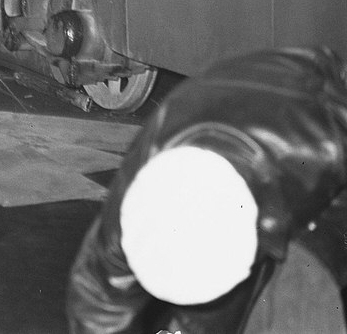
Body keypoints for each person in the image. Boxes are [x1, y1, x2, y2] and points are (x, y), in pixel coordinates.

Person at [66, 46, 347, 334]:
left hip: (316, 158)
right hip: (238, 145)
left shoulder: (321, 144)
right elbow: (97, 307)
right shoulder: (136, 208)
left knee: (308, 287)